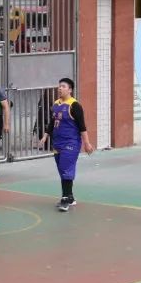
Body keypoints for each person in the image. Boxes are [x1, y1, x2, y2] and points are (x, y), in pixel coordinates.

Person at [37, 77, 93, 212]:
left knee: (65, 167)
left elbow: (82, 126)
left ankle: (65, 199)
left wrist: (87, 143)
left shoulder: (75, 105)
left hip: (71, 142)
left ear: (70, 90)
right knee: (63, 171)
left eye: (63, 86)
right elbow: (52, 122)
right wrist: (45, 136)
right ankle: (70, 196)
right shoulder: (56, 104)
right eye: (59, 86)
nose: (60, 88)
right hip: (58, 142)